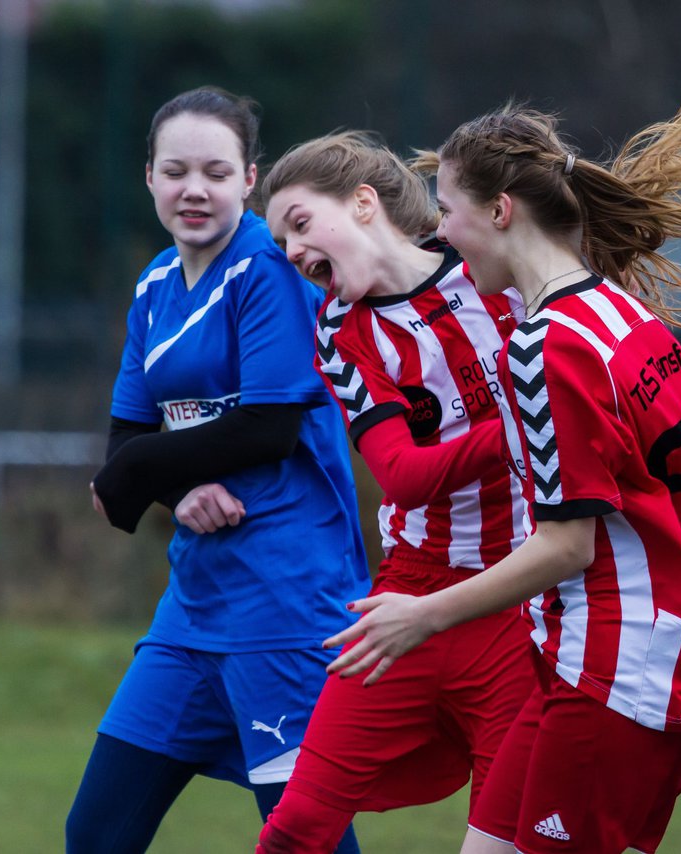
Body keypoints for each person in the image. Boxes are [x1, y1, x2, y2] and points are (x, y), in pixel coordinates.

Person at [325, 87, 681, 853]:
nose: (441, 233)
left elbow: (568, 545)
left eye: (447, 210)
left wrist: (423, 613)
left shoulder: (544, 345)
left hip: (613, 669)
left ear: (501, 211)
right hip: (636, 650)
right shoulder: (619, 313)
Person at [64, 86, 369, 854]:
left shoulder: (270, 269)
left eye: (214, 171)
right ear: (149, 179)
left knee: (306, 839)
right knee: (96, 832)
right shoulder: (155, 285)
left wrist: (137, 474)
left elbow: (268, 427)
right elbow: (126, 440)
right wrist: (174, 487)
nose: (193, 189)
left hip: (286, 604)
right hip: (192, 611)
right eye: (175, 171)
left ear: (249, 180)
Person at [252, 131, 537, 853]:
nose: (291, 251)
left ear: (364, 202)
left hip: (521, 599)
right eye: (281, 239)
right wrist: (536, 422)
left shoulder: (491, 270)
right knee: (295, 827)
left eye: (299, 222)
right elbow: (404, 475)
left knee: (506, 837)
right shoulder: (339, 330)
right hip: (407, 599)